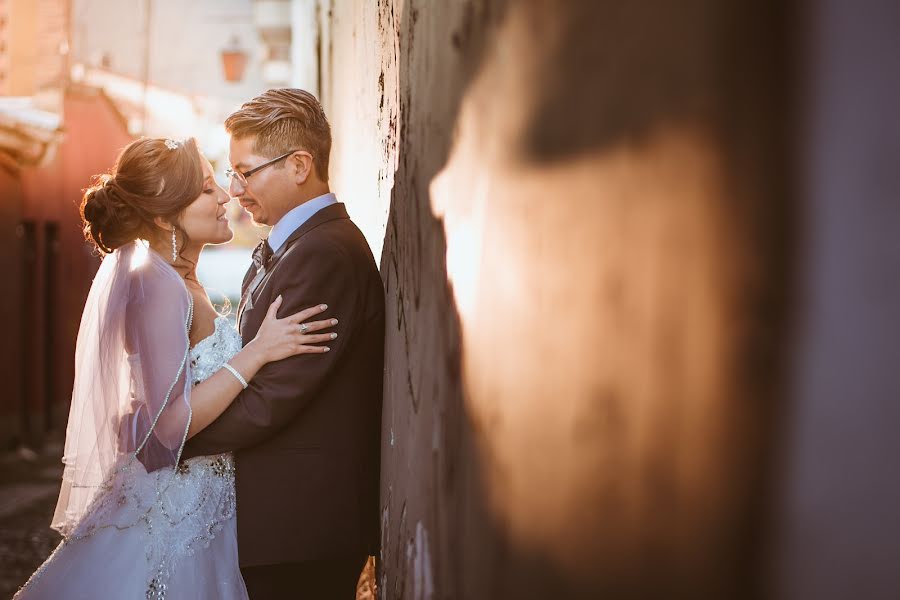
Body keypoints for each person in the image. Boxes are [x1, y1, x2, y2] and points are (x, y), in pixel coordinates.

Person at [15, 136, 335, 599]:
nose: (226, 196)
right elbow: (168, 427)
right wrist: (258, 351)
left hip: (201, 505)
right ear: (166, 216)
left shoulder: (180, 280)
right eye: (207, 190)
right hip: (171, 513)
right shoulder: (157, 284)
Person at [180, 88, 385, 599]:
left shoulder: (324, 254)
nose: (235, 189)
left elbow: (274, 399)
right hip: (283, 526)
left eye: (245, 172)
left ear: (299, 165)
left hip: (301, 526)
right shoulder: (296, 246)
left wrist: (175, 440)